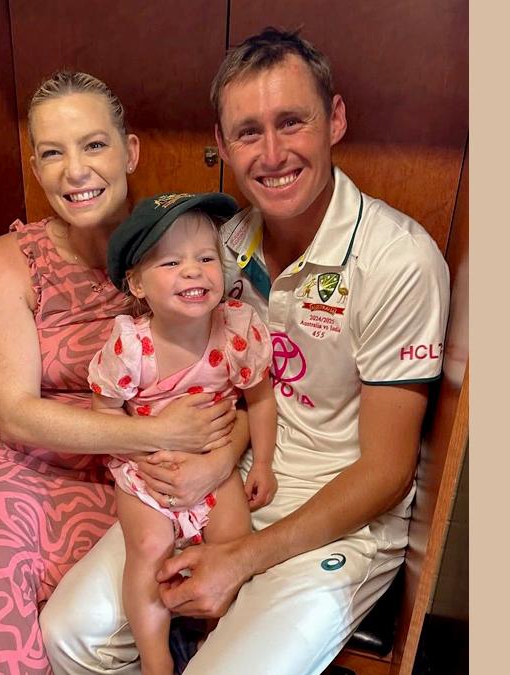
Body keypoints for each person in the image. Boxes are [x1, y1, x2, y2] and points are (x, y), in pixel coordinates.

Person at [41, 28, 450, 675]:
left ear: (335, 119)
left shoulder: (396, 259)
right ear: (224, 144)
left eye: (292, 122)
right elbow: (228, 388)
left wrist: (241, 557)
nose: (273, 152)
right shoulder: (225, 247)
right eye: (248, 131)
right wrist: (214, 463)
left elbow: (386, 471)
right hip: (226, 484)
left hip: (337, 521)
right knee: (70, 630)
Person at [0, 71, 247, 675]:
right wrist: (158, 435)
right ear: (34, 166)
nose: (74, 171)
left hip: (134, 478)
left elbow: (230, 386)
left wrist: (218, 453)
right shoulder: (8, 262)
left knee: (122, 612)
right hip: (23, 467)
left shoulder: (181, 251)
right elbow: (15, 413)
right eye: (52, 153)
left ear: (129, 151)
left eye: (94, 145)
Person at [88, 193, 277, 675]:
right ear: (137, 283)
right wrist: (143, 444)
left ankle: (215, 648)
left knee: (233, 542)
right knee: (148, 550)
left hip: (214, 463)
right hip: (145, 468)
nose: (193, 271)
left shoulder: (237, 329)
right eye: (172, 262)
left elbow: (259, 398)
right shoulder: (130, 345)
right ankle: (157, 665)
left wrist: (265, 464)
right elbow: (102, 414)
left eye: (206, 258)